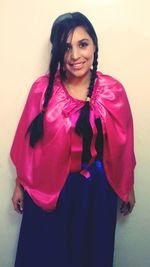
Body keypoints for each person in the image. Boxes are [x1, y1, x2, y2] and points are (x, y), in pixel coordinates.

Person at [11, 12, 136, 267]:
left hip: (96, 192)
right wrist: (20, 184)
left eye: (83, 44)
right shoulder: (41, 90)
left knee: (90, 254)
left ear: (94, 45)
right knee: (46, 254)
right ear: (57, 51)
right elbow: (28, 145)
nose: (76, 56)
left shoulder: (113, 91)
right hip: (50, 189)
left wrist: (127, 186)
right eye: (67, 47)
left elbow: (123, 144)